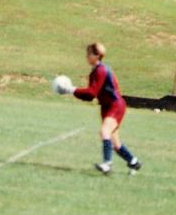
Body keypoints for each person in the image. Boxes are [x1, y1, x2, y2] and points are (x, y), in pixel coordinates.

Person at [60, 43, 142, 176]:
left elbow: (91, 93)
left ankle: (107, 164)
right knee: (115, 144)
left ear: (97, 55)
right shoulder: (95, 71)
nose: (86, 56)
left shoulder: (101, 70)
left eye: (89, 53)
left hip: (115, 105)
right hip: (106, 107)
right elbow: (89, 96)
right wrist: (73, 91)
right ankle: (134, 162)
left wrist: (72, 89)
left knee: (104, 131)